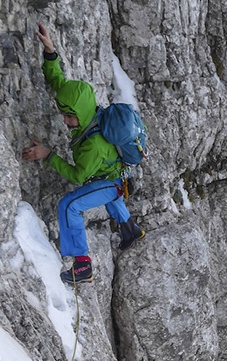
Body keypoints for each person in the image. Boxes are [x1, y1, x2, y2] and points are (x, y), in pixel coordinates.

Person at [22, 23, 145, 284]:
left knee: (69, 205)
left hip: (110, 182)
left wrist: (49, 155)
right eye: (65, 115)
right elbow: (58, 81)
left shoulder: (93, 144)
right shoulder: (88, 109)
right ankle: (130, 229)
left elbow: (78, 176)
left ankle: (82, 265)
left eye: (69, 117)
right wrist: (50, 50)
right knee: (109, 195)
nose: (65, 121)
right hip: (117, 174)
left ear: (80, 113)